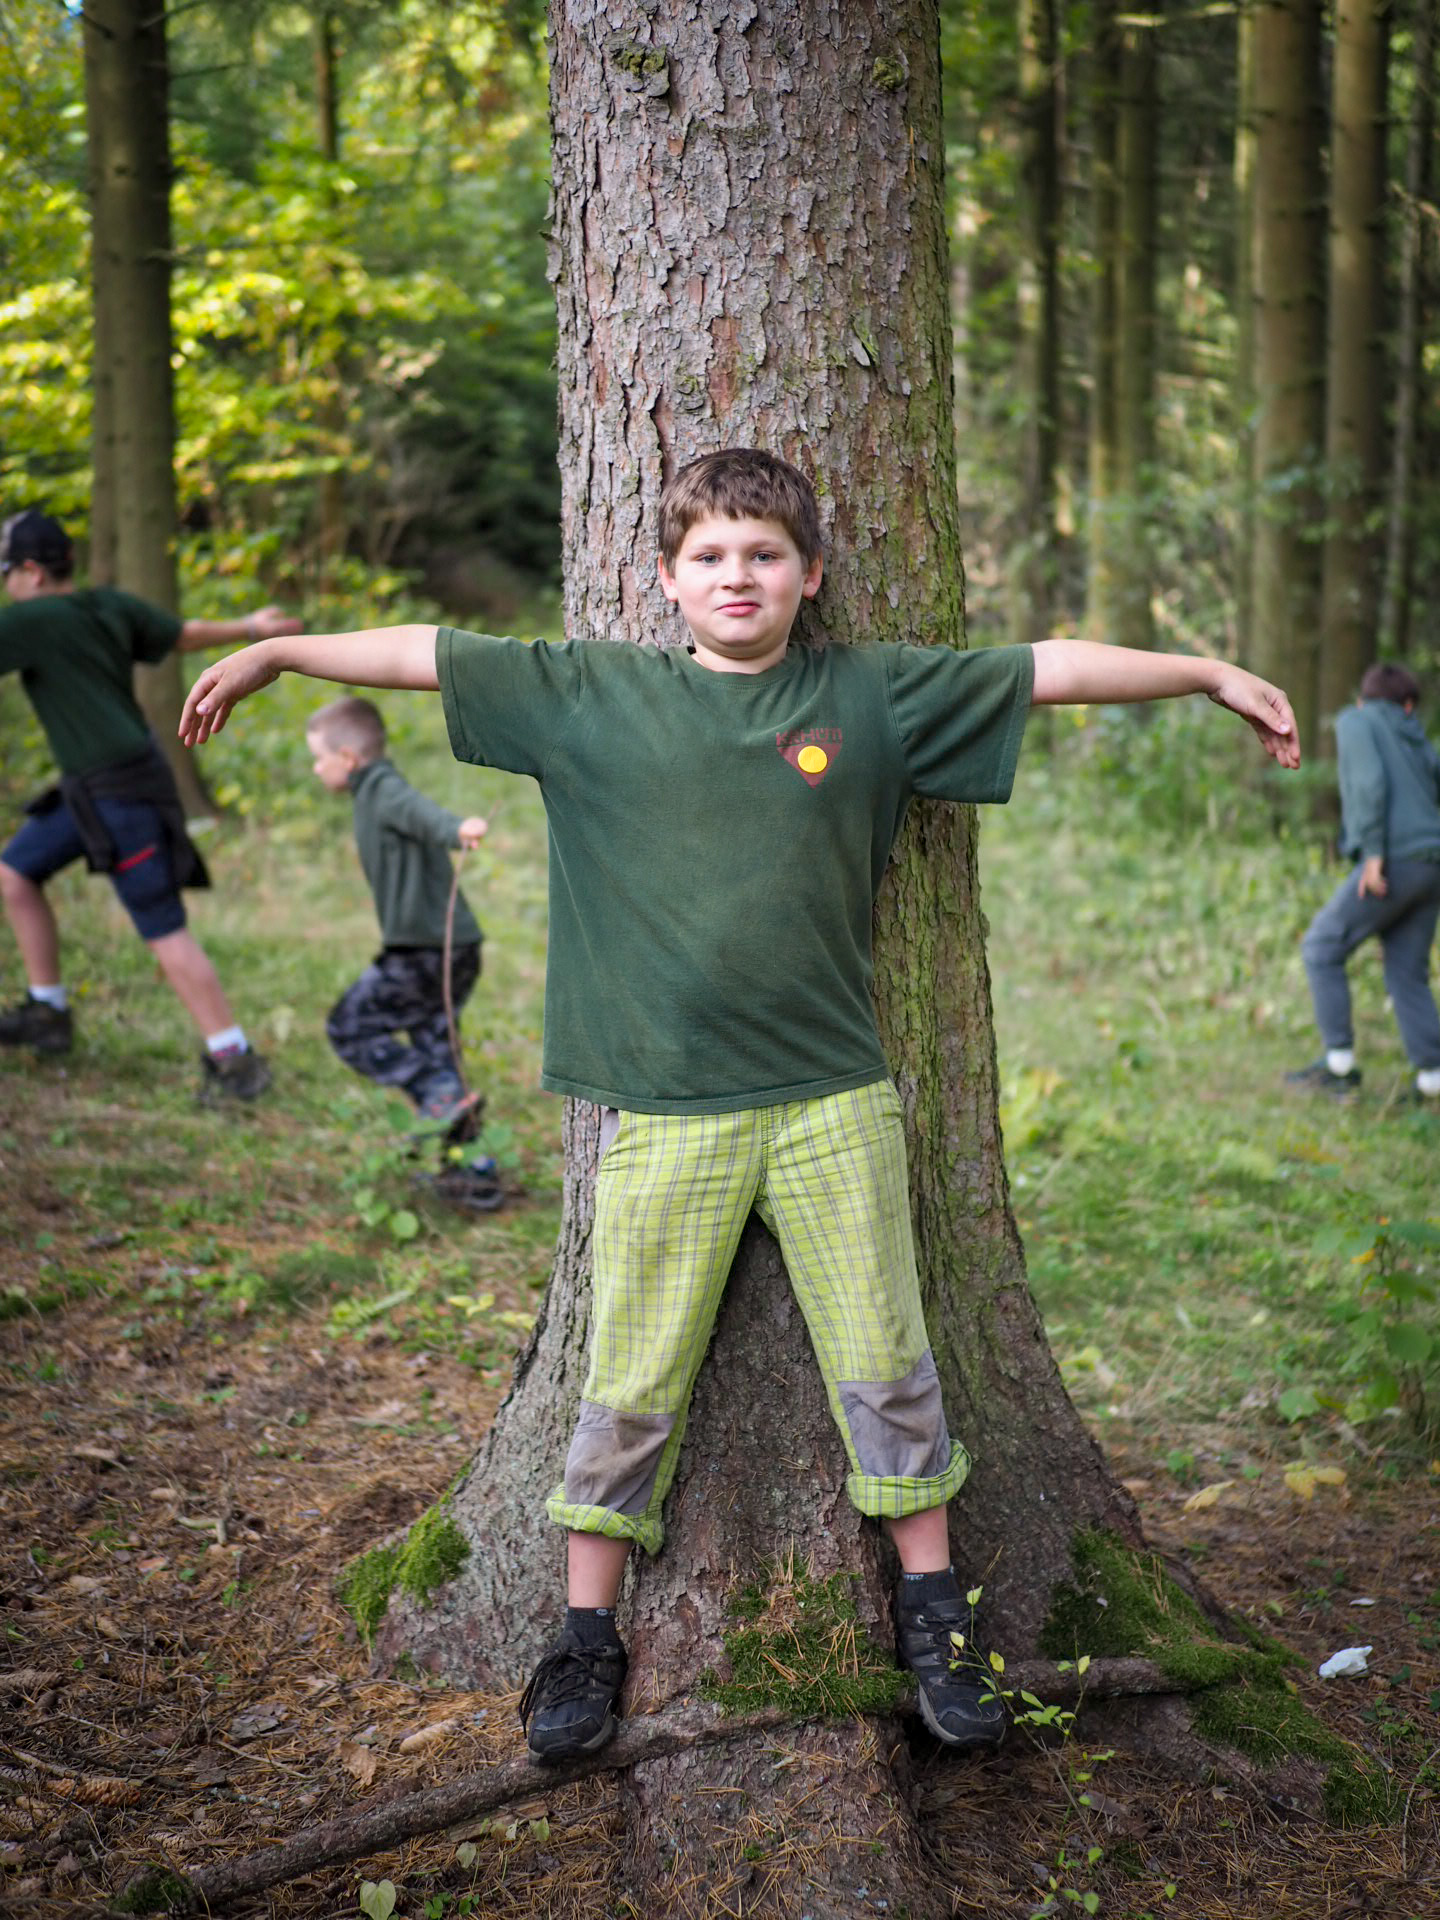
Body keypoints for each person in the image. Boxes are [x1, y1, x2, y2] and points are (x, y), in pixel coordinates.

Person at [177, 449, 1300, 1764]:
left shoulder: (869, 695)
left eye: (764, 554)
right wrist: (279, 653)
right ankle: (585, 1636)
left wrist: (1209, 674)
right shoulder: (594, 694)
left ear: (809, 575)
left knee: (888, 1364)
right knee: (630, 1379)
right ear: (665, 577)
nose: (737, 576)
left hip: (832, 1102)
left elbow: (1045, 667)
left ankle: (936, 1616)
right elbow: (425, 652)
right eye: (709, 555)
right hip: (669, 1112)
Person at [0, 508, 298, 1098]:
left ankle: (235, 1061)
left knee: (161, 925)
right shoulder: (108, 604)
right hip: (91, 788)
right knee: (14, 874)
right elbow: (182, 635)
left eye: (6, 572)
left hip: (122, 792)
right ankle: (47, 1010)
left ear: (31, 572)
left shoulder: (31, 620)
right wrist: (247, 625)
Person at [306, 694, 503, 1208]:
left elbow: (419, 813)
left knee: (349, 1026)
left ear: (347, 757)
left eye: (319, 758)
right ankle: (476, 1172)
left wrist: (457, 829)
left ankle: (441, 1096)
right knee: (435, 1045)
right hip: (450, 948)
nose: (315, 768)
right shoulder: (372, 790)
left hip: (426, 952)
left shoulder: (381, 789)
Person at [1287, 661, 1440, 1104]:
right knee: (1407, 972)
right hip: (1432, 865)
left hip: (1392, 861)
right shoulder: (1417, 737)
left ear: (1362, 699)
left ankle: (1339, 1067)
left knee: (1322, 946)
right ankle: (1432, 1080)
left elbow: (1369, 783)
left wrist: (1373, 855)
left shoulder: (1356, 721)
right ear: (1407, 705)